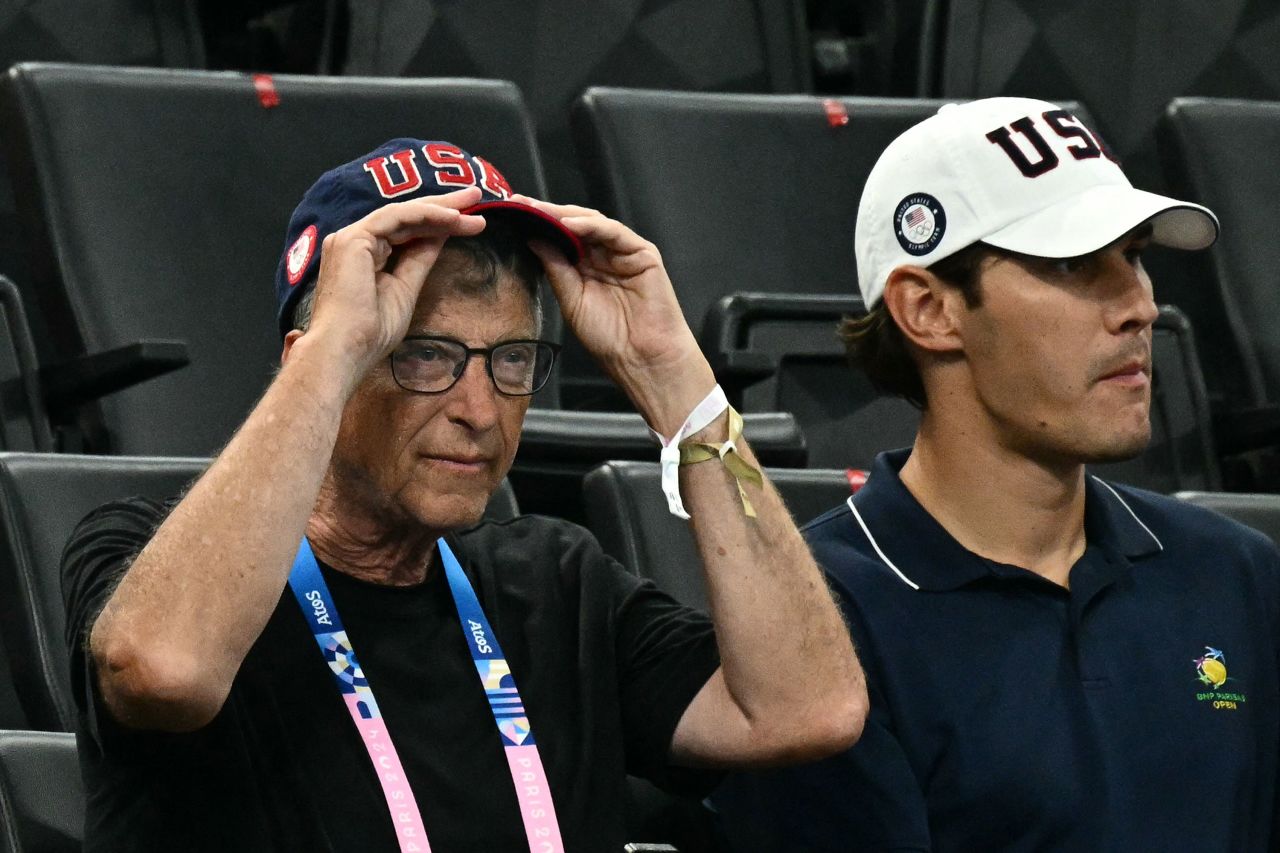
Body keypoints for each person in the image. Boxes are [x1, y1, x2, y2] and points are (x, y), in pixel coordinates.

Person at [60, 138, 867, 852]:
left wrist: (680, 384)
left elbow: (809, 706)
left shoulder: (556, 584)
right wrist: (332, 350)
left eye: (511, 360)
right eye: (424, 355)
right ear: (321, 360)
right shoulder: (143, 558)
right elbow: (165, 668)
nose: (479, 410)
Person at [710, 97, 1280, 851]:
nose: (1140, 304)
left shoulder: (1234, 574)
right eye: (1074, 263)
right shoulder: (814, 622)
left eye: (1134, 256)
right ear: (929, 310)